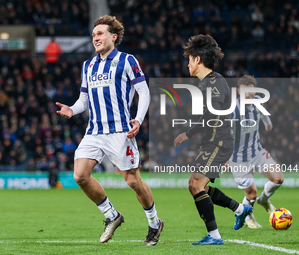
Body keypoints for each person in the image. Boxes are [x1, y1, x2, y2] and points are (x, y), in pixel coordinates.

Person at [56, 15, 164, 246]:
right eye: (94, 34)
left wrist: (138, 119)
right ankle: (111, 215)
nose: (96, 37)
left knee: (133, 181)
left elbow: (143, 92)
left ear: (113, 37)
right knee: (80, 175)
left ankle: (155, 223)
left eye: (101, 33)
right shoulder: (88, 65)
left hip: (120, 131)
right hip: (94, 131)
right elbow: (83, 100)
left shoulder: (126, 60)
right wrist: (72, 110)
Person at [174, 35, 252, 245]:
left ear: (198, 59)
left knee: (195, 185)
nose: (187, 64)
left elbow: (213, 113)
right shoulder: (210, 82)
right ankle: (240, 208)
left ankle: (214, 236)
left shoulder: (213, 84)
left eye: (189, 59)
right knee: (201, 186)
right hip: (214, 142)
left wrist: (189, 132)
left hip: (218, 142)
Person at [228, 75, 284, 228]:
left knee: (278, 179)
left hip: (256, 152)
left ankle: (264, 200)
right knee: (251, 194)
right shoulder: (233, 109)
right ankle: (248, 216)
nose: (250, 95)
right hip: (238, 157)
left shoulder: (258, 101)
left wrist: (268, 123)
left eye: (252, 91)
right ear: (239, 91)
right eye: (246, 92)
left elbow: (263, 112)